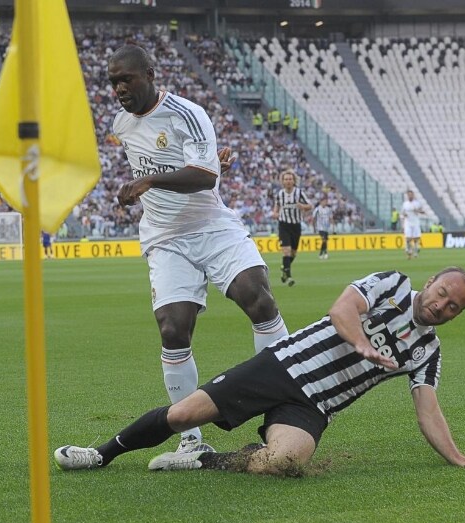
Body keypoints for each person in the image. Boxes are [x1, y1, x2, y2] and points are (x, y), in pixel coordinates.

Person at [55, 267, 465, 476]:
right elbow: (343, 309)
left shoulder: (427, 350)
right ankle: (100, 453)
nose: (442, 305)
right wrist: (363, 346)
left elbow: (429, 411)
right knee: (183, 416)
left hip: (314, 405)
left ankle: (202, 460)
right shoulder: (394, 284)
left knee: (284, 463)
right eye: (442, 292)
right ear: (432, 282)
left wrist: (459, 458)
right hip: (282, 367)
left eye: (453, 306)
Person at [107, 44, 289, 454]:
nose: (119, 88)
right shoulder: (121, 123)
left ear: (150, 74)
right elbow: (176, 160)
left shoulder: (187, 112)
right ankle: (190, 441)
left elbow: (204, 177)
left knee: (258, 299)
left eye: (126, 79)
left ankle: (286, 401)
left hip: (211, 226)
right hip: (165, 237)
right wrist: (153, 181)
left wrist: (151, 181)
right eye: (113, 82)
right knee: (172, 329)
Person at [273, 170, 312, 285]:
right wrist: (275, 214)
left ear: (294, 181)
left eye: (290, 179)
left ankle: (285, 268)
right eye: (286, 179)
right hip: (284, 225)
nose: (288, 181)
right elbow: (276, 209)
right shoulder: (280, 194)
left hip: (296, 225)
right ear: (283, 182)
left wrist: (302, 206)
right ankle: (289, 277)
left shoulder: (299, 193)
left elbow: (310, 205)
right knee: (286, 251)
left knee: (293, 253)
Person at [401, 190, 425, 260]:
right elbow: (402, 213)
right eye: (409, 195)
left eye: (411, 195)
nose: (410, 196)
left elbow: (423, 211)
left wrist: (418, 211)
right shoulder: (405, 204)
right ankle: (409, 250)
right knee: (408, 238)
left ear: (413, 195)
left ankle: (416, 250)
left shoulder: (417, 203)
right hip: (408, 222)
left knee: (416, 238)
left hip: (415, 222)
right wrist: (404, 215)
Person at [312, 196, 333, 260]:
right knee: (324, 240)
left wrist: (332, 227)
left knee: (325, 241)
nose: (325, 203)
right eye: (324, 201)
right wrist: (314, 227)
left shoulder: (328, 209)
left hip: (326, 227)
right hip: (320, 227)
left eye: (326, 201)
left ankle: (321, 253)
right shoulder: (317, 209)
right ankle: (325, 253)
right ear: (321, 202)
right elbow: (314, 218)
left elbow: (331, 218)